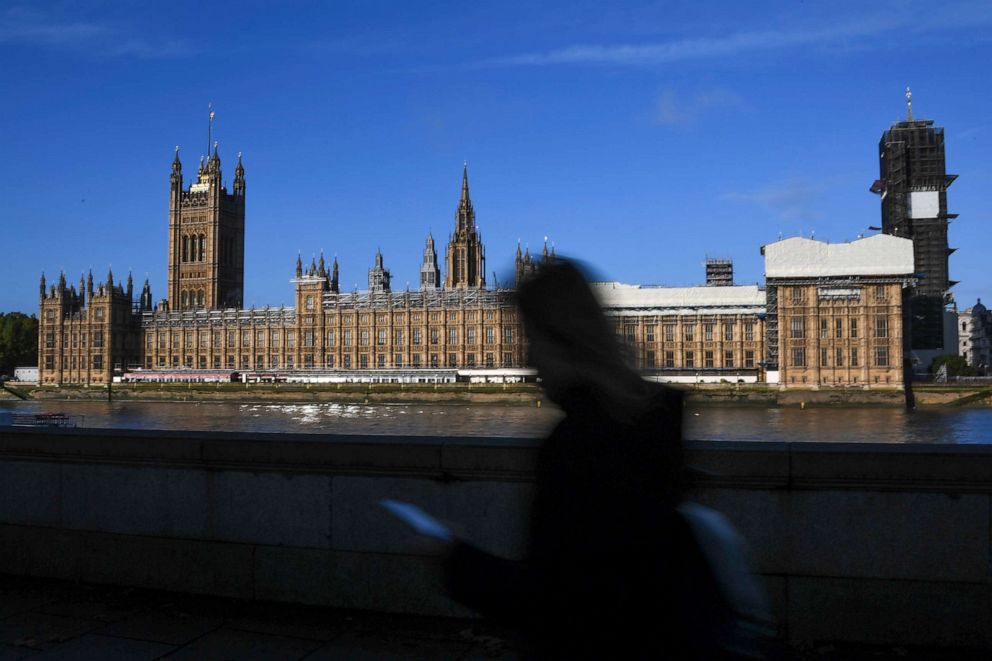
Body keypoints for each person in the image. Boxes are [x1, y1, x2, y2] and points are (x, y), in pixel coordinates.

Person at [440, 260, 771, 659]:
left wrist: (454, 561)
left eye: (533, 339)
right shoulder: (655, 420)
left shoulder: (576, 446)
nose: (528, 358)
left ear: (559, 339)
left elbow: (552, 599)